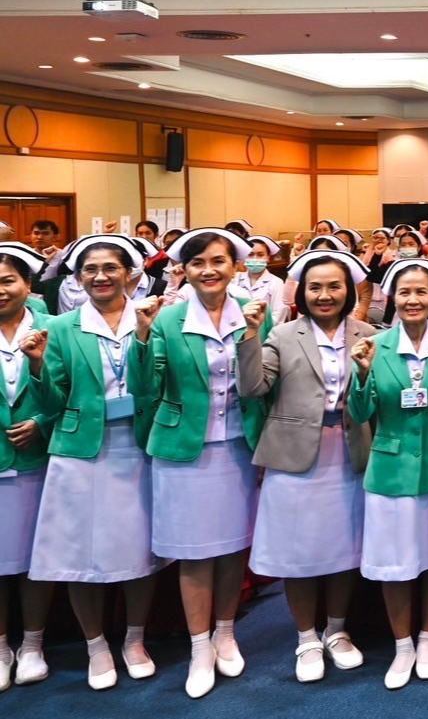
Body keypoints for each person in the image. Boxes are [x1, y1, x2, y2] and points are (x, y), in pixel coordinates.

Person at [128, 227, 271, 699]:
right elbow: (145, 387)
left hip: (237, 446)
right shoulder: (167, 319)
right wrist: (143, 336)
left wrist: (253, 332)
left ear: (234, 267)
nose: (208, 271)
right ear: (183, 271)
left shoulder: (255, 315)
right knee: (193, 552)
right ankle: (198, 646)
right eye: (197, 264)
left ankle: (226, 632)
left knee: (232, 548)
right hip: (184, 449)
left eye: (218, 261)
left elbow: (262, 386)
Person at [29, 234, 163, 691]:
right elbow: (52, 400)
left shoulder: (151, 317)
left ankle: (134, 640)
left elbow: (159, 383)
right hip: (82, 451)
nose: (100, 276)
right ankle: (95, 646)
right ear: (78, 276)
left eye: (110, 267)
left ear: (130, 272)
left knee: (140, 551)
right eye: (90, 269)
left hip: (139, 446)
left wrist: (145, 337)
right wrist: (38, 367)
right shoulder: (63, 327)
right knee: (79, 553)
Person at [235, 249, 374, 683]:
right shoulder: (282, 334)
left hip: (350, 452)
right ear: (302, 292)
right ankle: (306, 636)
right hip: (296, 455)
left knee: (342, 549)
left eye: (334, 286)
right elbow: (253, 386)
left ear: (349, 290)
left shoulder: (369, 333)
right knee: (299, 552)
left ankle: (337, 631)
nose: (325, 295)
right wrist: (250, 336)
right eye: (315, 287)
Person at [348, 259, 428, 690]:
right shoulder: (374, 346)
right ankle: (402, 645)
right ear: (392, 299)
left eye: (421, 292)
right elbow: (360, 414)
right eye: (404, 292)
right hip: (390, 466)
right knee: (395, 562)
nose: (412, 300)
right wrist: (361, 376)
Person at [0, 244, 54, 691]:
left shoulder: (57, 329)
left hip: (41, 461)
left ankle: (32, 645)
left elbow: (80, 390)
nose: (0, 291)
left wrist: (43, 420)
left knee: (36, 559)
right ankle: (0, 647)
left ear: (27, 284)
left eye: (7, 281)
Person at [230, 236, 288, 321]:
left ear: (268, 257)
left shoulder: (276, 283)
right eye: (250, 255)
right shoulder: (235, 279)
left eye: (260, 255)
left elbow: (278, 316)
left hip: (265, 331)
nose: (255, 259)